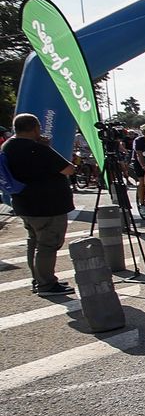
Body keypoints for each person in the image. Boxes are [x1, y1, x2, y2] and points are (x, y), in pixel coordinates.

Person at [2, 113, 76, 295]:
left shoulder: (7, 146)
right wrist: (45, 147)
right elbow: (69, 169)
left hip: (23, 203)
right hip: (47, 205)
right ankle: (46, 284)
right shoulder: (37, 148)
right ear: (35, 128)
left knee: (34, 242)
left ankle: (39, 279)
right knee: (48, 245)